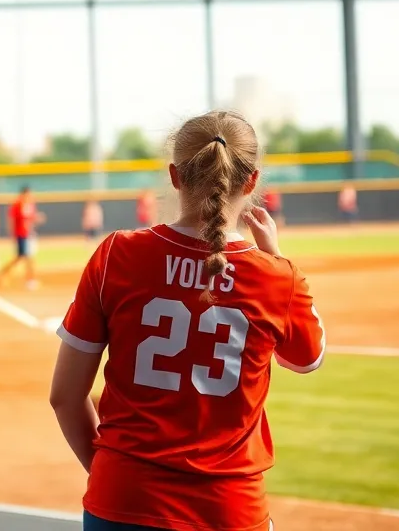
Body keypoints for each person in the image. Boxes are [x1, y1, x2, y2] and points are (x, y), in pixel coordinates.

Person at [49, 112, 325, 531]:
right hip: (228, 509)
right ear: (251, 182)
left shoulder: (116, 255)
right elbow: (306, 359)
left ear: (175, 176)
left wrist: (114, 477)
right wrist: (277, 259)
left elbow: (65, 398)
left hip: (121, 498)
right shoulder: (278, 277)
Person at [0, 186, 44, 290]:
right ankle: (29, 280)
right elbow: (12, 219)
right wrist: (12, 233)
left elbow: (31, 219)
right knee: (26, 257)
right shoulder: (17, 204)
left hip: (29, 234)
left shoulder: (30, 205)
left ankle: (4, 273)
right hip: (21, 234)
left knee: (25, 257)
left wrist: (37, 218)